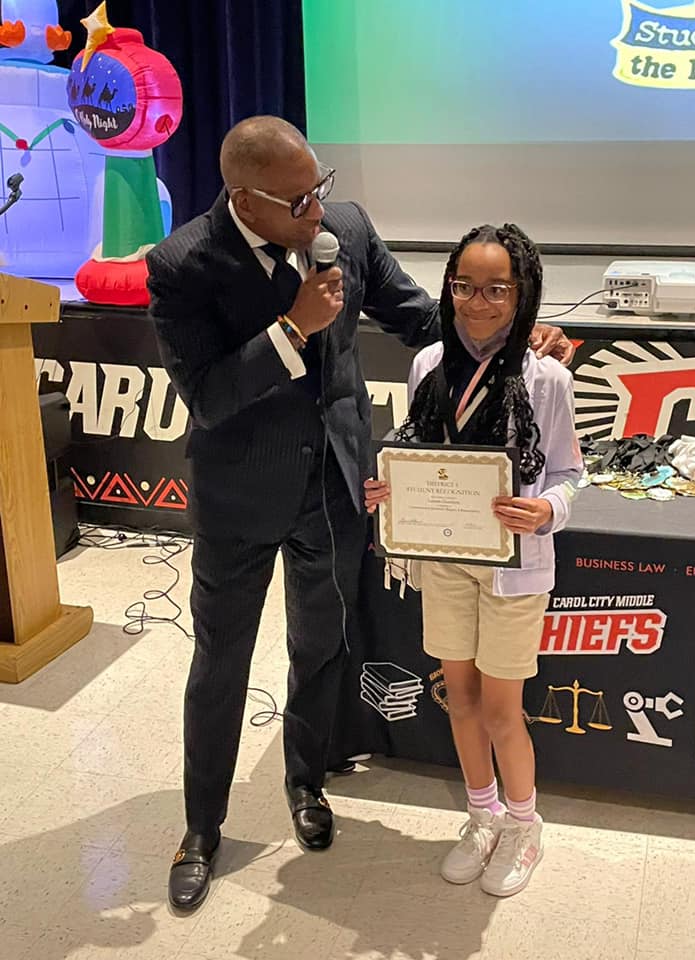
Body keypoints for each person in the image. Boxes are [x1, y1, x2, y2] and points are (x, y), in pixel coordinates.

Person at [146, 116, 574, 912]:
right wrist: (290, 330)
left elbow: (423, 318)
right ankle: (201, 828)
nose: (317, 210)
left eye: (320, 187)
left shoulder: (344, 229)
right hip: (240, 498)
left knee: (320, 648)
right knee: (220, 664)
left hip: (336, 490)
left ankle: (307, 783)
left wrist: (517, 336)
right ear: (245, 198)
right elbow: (205, 397)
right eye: (298, 201)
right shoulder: (182, 264)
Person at [365, 223, 583, 897]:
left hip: (515, 569)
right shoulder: (429, 364)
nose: (478, 302)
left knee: (500, 709)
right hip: (446, 560)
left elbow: (570, 473)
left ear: (522, 293)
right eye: (465, 286)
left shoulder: (547, 378)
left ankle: (523, 825)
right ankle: (482, 816)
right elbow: (419, 456)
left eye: (496, 289)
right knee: (458, 698)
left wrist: (546, 510)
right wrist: (391, 490)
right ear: (448, 287)